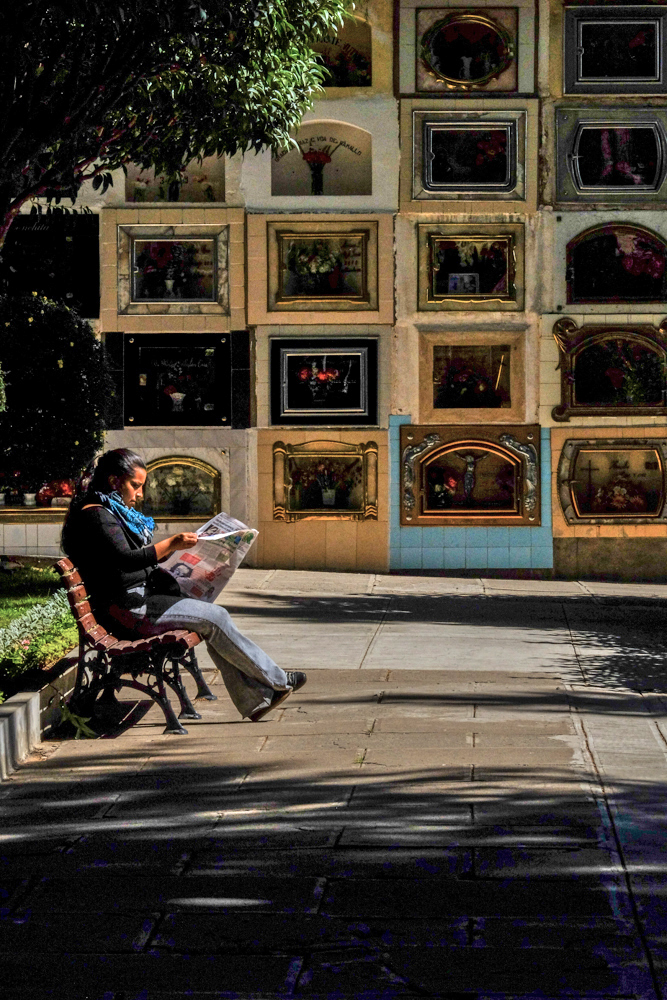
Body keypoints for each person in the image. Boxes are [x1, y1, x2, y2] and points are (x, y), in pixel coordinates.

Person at [61, 448, 305, 722]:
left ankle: (259, 698)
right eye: (135, 486)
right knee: (216, 618)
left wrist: (170, 557)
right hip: (130, 613)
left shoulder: (107, 511)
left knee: (212, 620)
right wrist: (171, 544)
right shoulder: (97, 515)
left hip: (136, 601)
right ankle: (278, 682)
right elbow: (124, 560)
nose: (139, 495)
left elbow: (125, 563)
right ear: (114, 481)